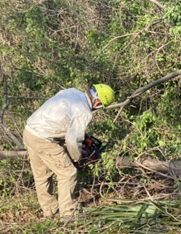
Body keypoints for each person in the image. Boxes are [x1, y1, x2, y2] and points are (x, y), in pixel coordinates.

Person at [22, 84, 115, 223]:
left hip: (29, 132)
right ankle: (68, 214)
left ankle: (50, 210)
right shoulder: (84, 112)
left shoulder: (72, 92)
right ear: (99, 102)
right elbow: (72, 140)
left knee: (42, 175)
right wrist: (77, 158)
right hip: (45, 140)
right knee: (68, 172)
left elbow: (63, 117)